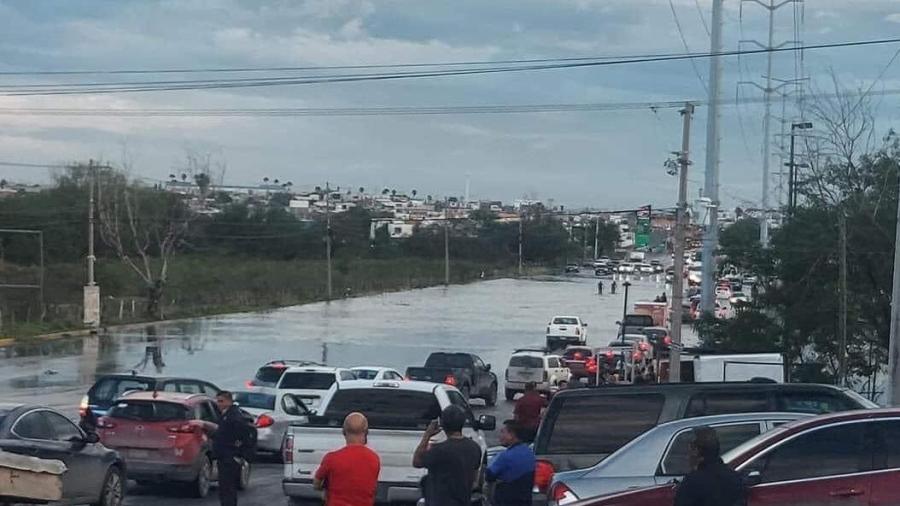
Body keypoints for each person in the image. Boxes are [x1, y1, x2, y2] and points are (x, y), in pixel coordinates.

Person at [412, 405, 482, 506]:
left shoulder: (439, 450)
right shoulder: (474, 448)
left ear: (443, 424)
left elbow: (417, 461)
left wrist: (427, 434)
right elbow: (475, 478)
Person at [314, 412, 380, 506]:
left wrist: (325, 489)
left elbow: (316, 484)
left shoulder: (331, 458)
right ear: (366, 431)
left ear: (343, 431)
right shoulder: (374, 459)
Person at [674, 426, 745, 506]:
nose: (687, 456)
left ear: (696, 451)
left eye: (689, 450)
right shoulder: (735, 478)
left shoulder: (692, 482)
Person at [486, 420, 535, 506]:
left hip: (506, 500)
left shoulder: (506, 456)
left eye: (503, 432)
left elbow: (489, 475)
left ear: (511, 435)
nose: (500, 436)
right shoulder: (529, 453)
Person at [214, 391, 250, 506]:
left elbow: (243, 436)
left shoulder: (234, 417)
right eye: (217, 401)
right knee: (225, 488)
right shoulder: (226, 415)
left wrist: (237, 454)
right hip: (224, 456)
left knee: (228, 488)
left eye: (221, 401)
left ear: (229, 401)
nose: (218, 404)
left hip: (229, 458)